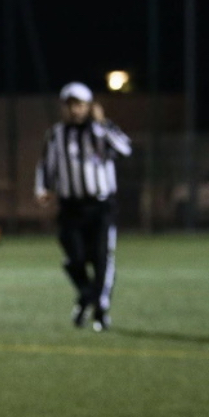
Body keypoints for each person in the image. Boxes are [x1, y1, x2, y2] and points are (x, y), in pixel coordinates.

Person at [34, 81, 133, 332]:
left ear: (89, 106)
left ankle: (100, 310)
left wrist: (102, 125)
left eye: (79, 104)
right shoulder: (56, 134)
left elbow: (125, 149)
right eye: (70, 105)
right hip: (71, 207)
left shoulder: (102, 130)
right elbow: (46, 164)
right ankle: (87, 296)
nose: (74, 110)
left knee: (101, 260)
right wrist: (43, 188)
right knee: (73, 259)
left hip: (101, 207)